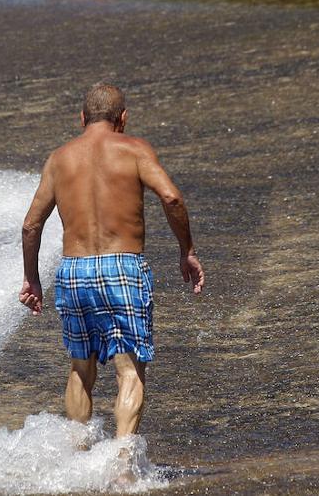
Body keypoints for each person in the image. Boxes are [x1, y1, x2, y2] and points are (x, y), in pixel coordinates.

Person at [18, 83, 205, 460]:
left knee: (80, 367)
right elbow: (171, 197)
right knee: (129, 369)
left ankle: (76, 457)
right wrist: (187, 250)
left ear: (82, 118)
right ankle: (122, 465)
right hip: (122, 266)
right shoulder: (134, 149)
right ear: (123, 119)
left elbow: (30, 226)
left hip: (73, 271)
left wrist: (33, 278)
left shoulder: (59, 158)